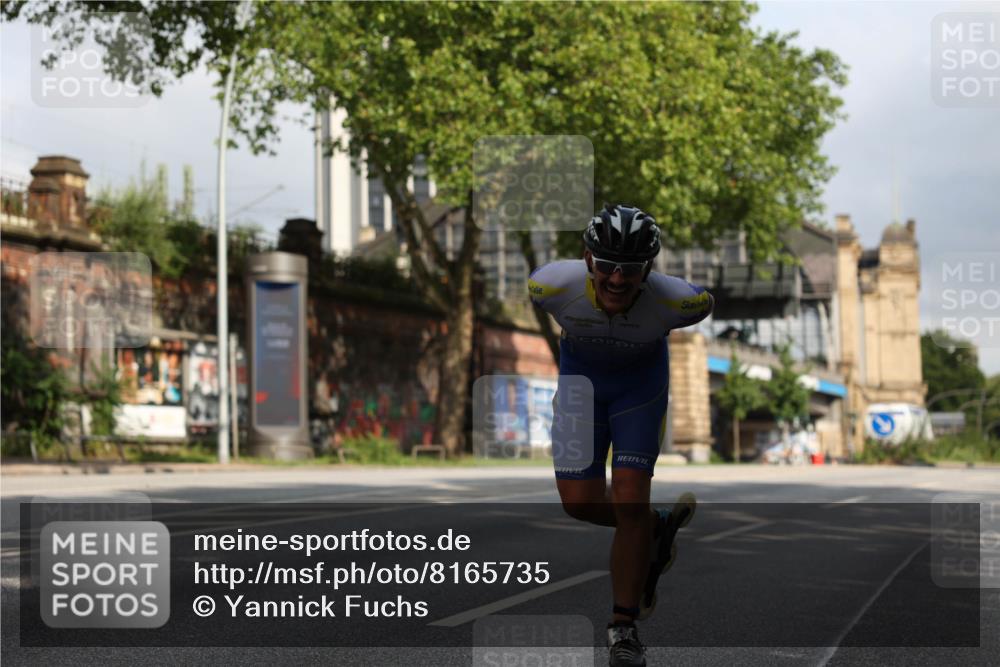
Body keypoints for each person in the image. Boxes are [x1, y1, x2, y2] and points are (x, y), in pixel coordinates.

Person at [528, 204, 713, 667]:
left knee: (629, 499)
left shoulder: (678, 302)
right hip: (581, 390)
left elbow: (706, 300)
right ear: (588, 259)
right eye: (607, 265)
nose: (616, 279)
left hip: (638, 392)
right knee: (578, 503)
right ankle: (655, 527)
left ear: (648, 269)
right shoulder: (551, 286)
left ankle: (623, 628)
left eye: (630, 269)